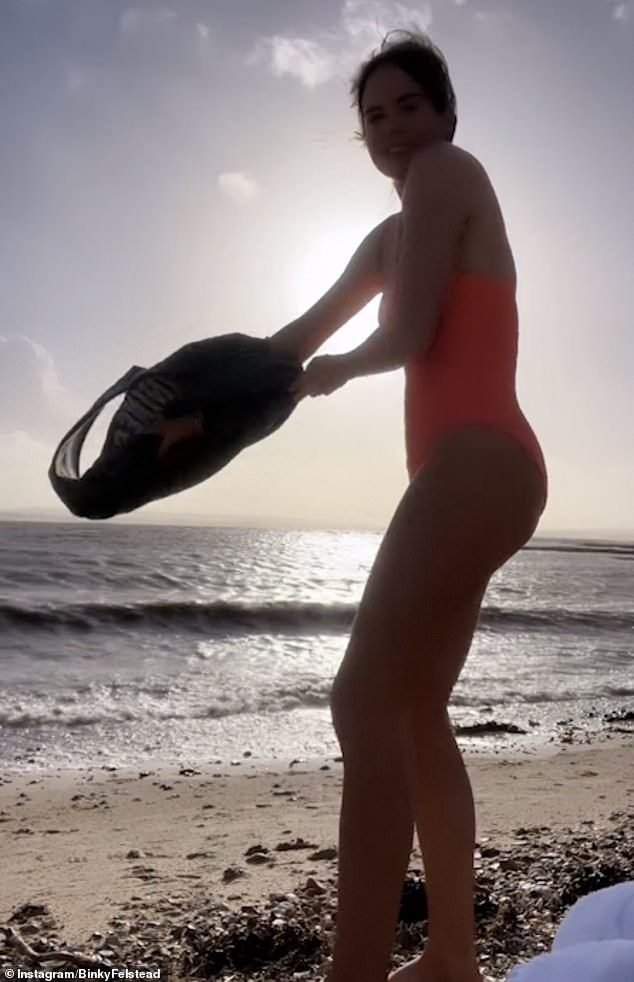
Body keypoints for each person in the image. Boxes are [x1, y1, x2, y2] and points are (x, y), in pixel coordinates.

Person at [164, 30, 548, 982]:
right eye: (374, 117)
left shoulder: (449, 173)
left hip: (480, 460)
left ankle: (357, 974)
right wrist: (193, 409)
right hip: (470, 475)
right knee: (416, 711)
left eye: (408, 106)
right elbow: (290, 342)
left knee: (358, 699)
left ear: (446, 113)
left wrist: (335, 373)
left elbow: (407, 333)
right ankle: (452, 959)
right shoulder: (391, 233)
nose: (392, 129)